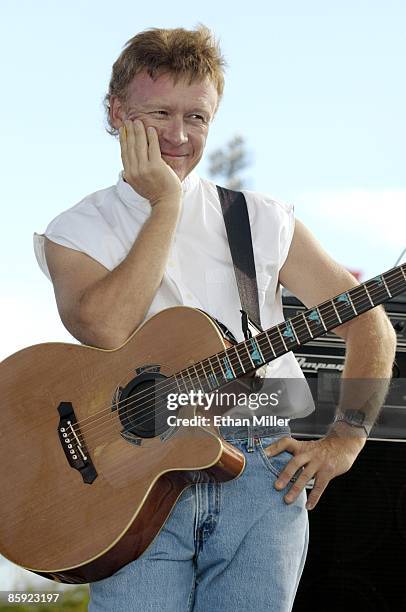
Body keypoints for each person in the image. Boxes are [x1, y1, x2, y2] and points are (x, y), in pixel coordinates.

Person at [33, 25, 396, 612]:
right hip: (133, 475)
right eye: (161, 113)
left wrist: (348, 438)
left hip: (263, 471)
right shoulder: (77, 230)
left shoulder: (261, 219)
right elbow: (103, 326)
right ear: (116, 111)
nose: (180, 136)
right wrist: (166, 205)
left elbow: (368, 321)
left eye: (198, 118)